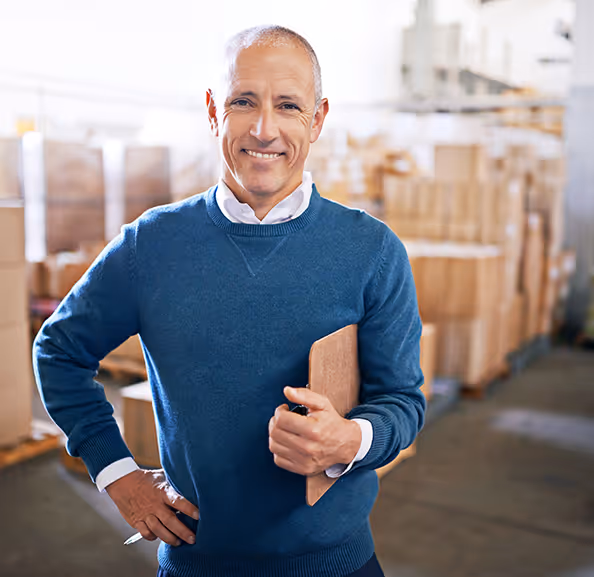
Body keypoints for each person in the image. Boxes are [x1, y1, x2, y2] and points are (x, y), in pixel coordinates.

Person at [33, 25, 426, 577]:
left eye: (288, 105)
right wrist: (114, 472)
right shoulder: (152, 245)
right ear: (215, 111)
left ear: (317, 120)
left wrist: (349, 437)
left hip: (339, 565)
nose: (264, 129)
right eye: (244, 101)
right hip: (199, 565)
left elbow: (403, 403)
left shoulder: (371, 251)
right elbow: (59, 350)